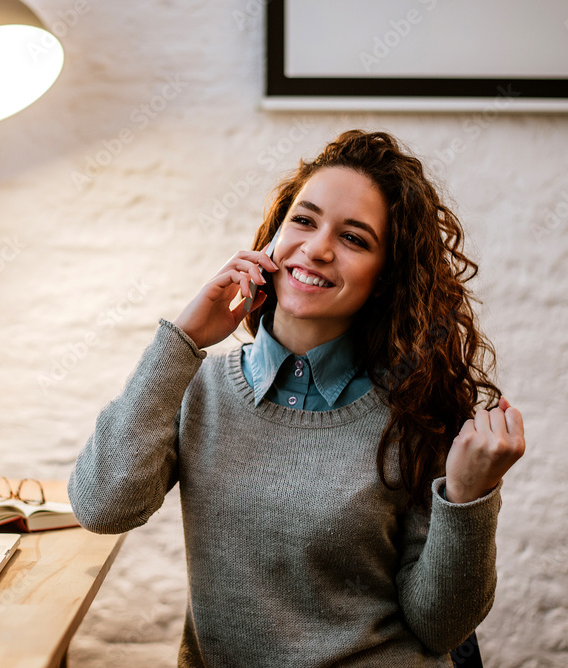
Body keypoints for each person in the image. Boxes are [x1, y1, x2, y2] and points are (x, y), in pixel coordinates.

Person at [68, 130, 525, 667]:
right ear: (273, 236)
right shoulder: (199, 386)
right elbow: (101, 507)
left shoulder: (417, 410)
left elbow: (440, 626)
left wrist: (469, 496)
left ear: (384, 278)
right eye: (303, 220)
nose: (318, 248)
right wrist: (183, 340)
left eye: (355, 238)